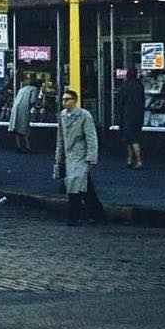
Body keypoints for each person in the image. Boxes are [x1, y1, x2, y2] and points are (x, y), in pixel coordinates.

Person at [54, 89, 104, 226]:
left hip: (81, 154)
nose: (65, 102)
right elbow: (60, 138)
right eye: (63, 99)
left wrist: (92, 156)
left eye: (68, 99)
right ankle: (97, 213)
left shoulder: (84, 115)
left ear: (75, 100)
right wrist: (59, 157)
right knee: (85, 187)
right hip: (69, 156)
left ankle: (73, 218)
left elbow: (91, 136)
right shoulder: (62, 116)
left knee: (74, 185)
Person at [115, 66, 146, 169]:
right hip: (138, 114)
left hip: (127, 114)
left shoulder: (126, 85)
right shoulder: (139, 85)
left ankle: (136, 160)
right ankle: (132, 159)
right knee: (134, 137)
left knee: (130, 138)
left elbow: (120, 99)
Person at [8, 75, 39, 153]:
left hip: (15, 109)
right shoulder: (35, 89)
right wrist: (36, 106)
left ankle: (19, 147)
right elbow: (32, 101)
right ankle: (28, 146)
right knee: (24, 128)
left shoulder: (22, 89)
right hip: (24, 109)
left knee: (17, 128)